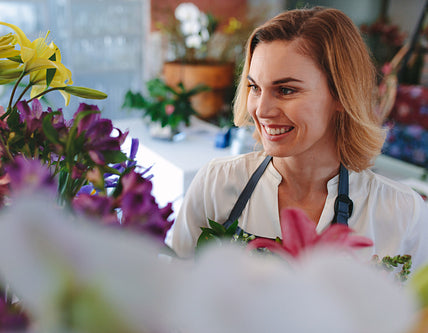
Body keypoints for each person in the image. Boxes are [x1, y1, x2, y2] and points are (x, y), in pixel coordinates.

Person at [165, 6, 428, 269]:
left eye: (286, 90)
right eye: (255, 87)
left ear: (341, 94)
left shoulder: (403, 213)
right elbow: (170, 293)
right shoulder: (216, 184)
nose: (261, 109)